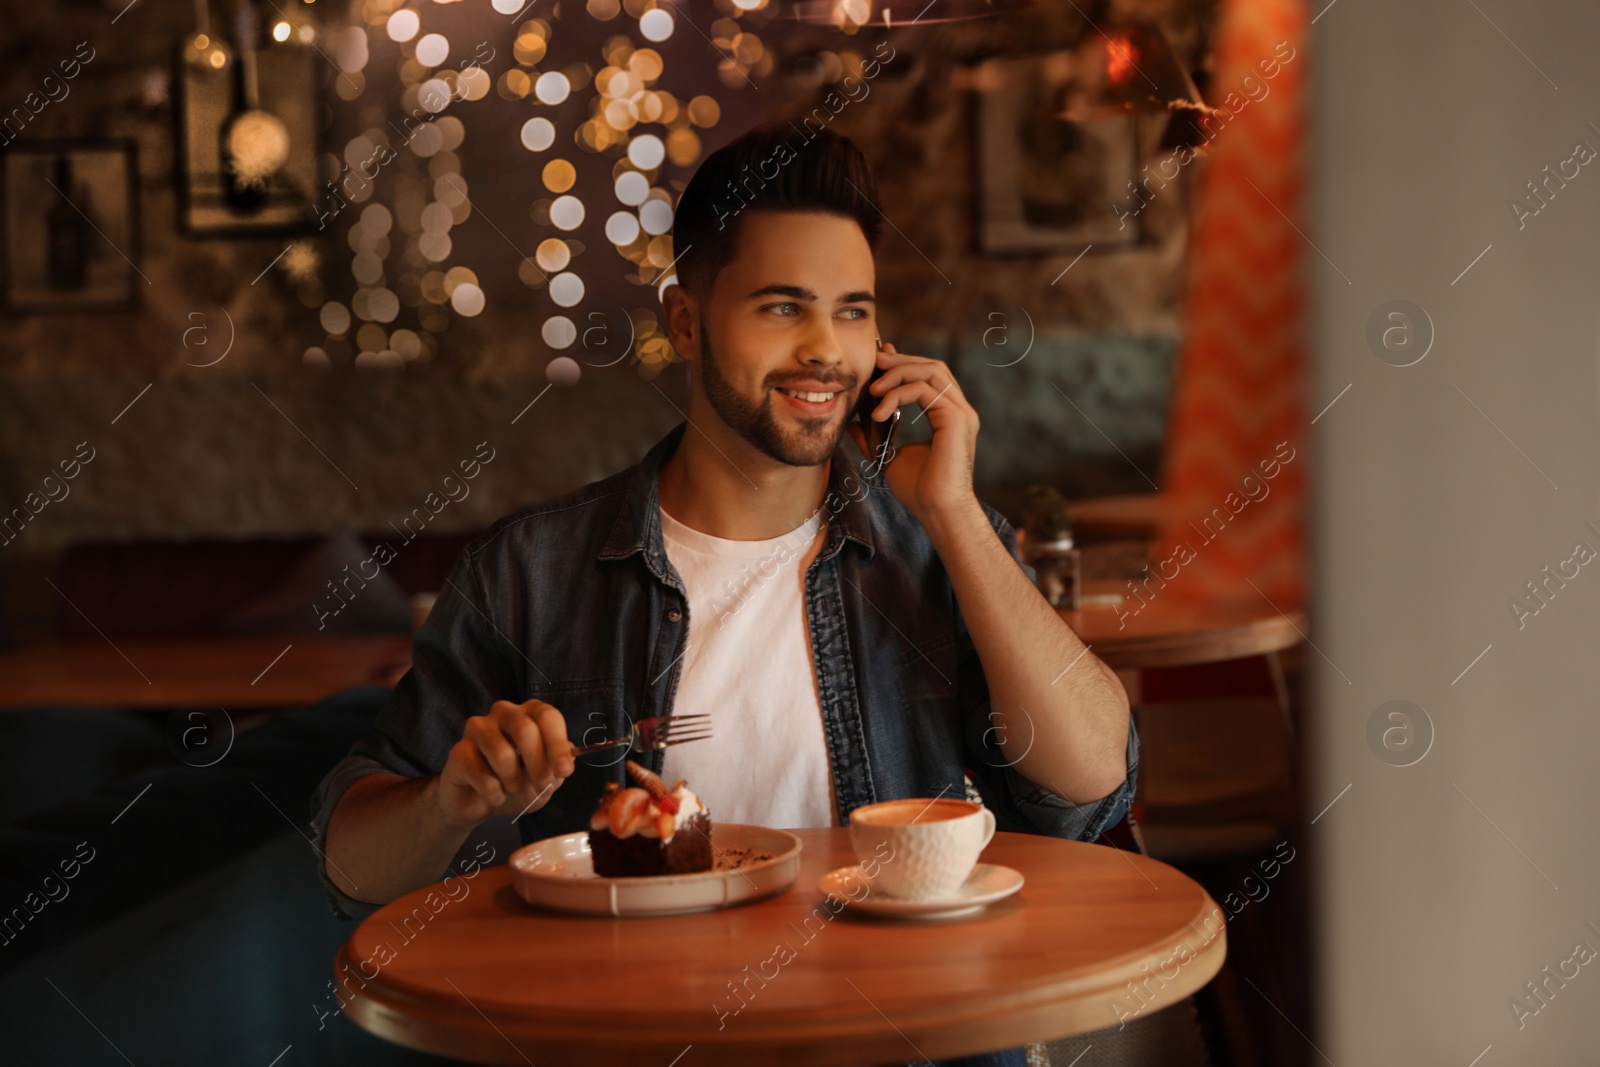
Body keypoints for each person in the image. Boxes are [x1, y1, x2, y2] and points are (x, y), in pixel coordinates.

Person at [310, 122, 1138, 1067]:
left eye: (854, 311)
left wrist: (952, 511)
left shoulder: (936, 544)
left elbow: (1090, 784)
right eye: (784, 308)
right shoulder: (531, 572)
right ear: (687, 321)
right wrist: (449, 803)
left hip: (908, 1045)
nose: (828, 350)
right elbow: (354, 874)